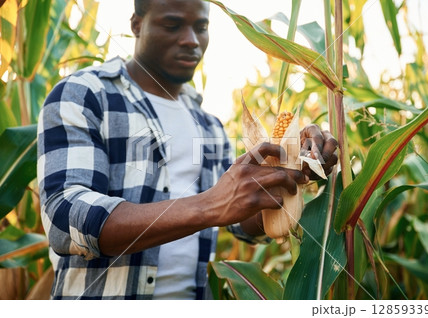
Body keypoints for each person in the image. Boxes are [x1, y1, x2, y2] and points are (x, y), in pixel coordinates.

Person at [37, 0, 338, 300]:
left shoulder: (207, 124)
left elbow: (239, 221)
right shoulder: (85, 95)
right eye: (172, 25)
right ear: (136, 25)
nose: (191, 40)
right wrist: (210, 205)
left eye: (201, 27)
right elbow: (65, 218)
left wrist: (288, 174)